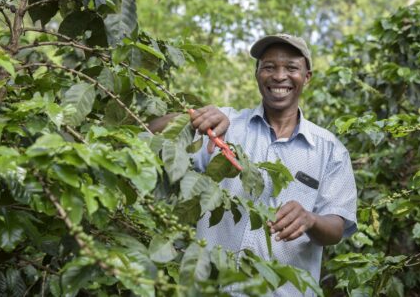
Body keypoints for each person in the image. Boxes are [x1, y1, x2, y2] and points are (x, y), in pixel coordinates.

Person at [150, 34, 357, 296]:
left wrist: (311, 219)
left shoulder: (330, 150)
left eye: (291, 68)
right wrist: (191, 118)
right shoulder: (223, 127)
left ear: (307, 77)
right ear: (257, 74)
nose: (279, 76)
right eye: (269, 67)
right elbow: (147, 135)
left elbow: (337, 228)